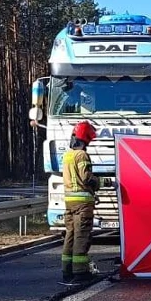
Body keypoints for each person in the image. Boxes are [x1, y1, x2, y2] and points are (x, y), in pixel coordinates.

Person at [61, 120, 101, 285]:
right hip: (83, 203)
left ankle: (67, 270)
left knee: (69, 236)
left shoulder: (67, 155)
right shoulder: (82, 155)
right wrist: (100, 182)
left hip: (69, 202)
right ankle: (81, 272)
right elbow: (86, 177)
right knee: (81, 236)